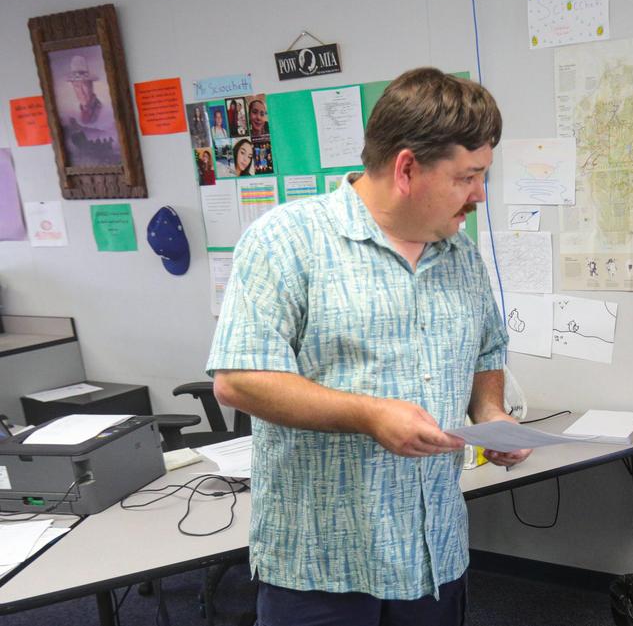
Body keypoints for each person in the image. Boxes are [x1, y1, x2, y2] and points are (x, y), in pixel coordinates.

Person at [207, 67, 528, 626]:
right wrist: (370, 414)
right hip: (322, 565)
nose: (479, 193)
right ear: (407, 168)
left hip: (434, 555)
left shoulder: (461, 256)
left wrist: (492, 414)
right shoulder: (288, 240)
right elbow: (239, 379)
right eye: (467, 176)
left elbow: (486, 354)